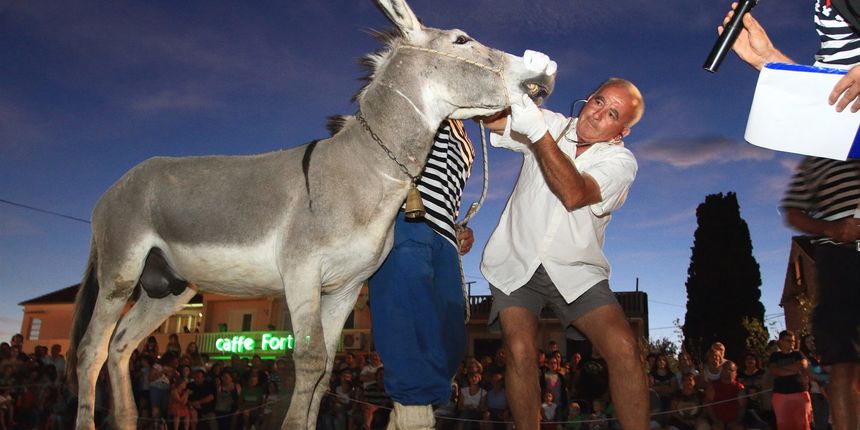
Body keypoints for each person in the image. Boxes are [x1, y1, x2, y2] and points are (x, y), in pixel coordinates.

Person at [480, 63, 647, 430]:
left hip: (575, 270)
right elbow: (491, 120)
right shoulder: (555, 123)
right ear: (588, 98)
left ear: (623, 131)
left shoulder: (621, 162)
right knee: (521, 350)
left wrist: (537, 133)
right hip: (517, 259)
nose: (597, 113)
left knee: (623, 348)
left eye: (612, 114)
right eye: (598, 101)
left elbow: (574, 194)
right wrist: (519, 86)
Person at [726, 6, 860, 426]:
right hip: (841, 256)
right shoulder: (817, 162)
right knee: (844, 362)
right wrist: (772, 63)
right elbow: (837, 92)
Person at [367, 119, 476, 429]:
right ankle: (414, 414)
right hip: (406, 220)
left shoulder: (465, 136)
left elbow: (444, 192)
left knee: (450, 337)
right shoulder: (423, 99)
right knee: (408, 323)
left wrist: (459, 229)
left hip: (444, 237)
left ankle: (406, 416)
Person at [768, 330, 812, 430]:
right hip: (780, 393)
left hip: (799, 392)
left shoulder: (798, 354)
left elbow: (802, 365)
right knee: (783, 424)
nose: (791, 343)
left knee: (802, 423)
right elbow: (774, 371)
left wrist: (783, 370)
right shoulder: (775, 356)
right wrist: (793, 370)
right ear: (780, 342)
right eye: (788, 341)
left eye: (793, 341)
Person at [704, 360, 746, 430]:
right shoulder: (713, 386)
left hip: (733, 421)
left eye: (730, 370)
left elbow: (742, 407)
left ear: (735, 373)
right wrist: (716, 421)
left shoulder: (740, 387)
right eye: (725, 369)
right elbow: (708, 405)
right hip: (716, 421)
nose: (727, 371)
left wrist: (736, 421)